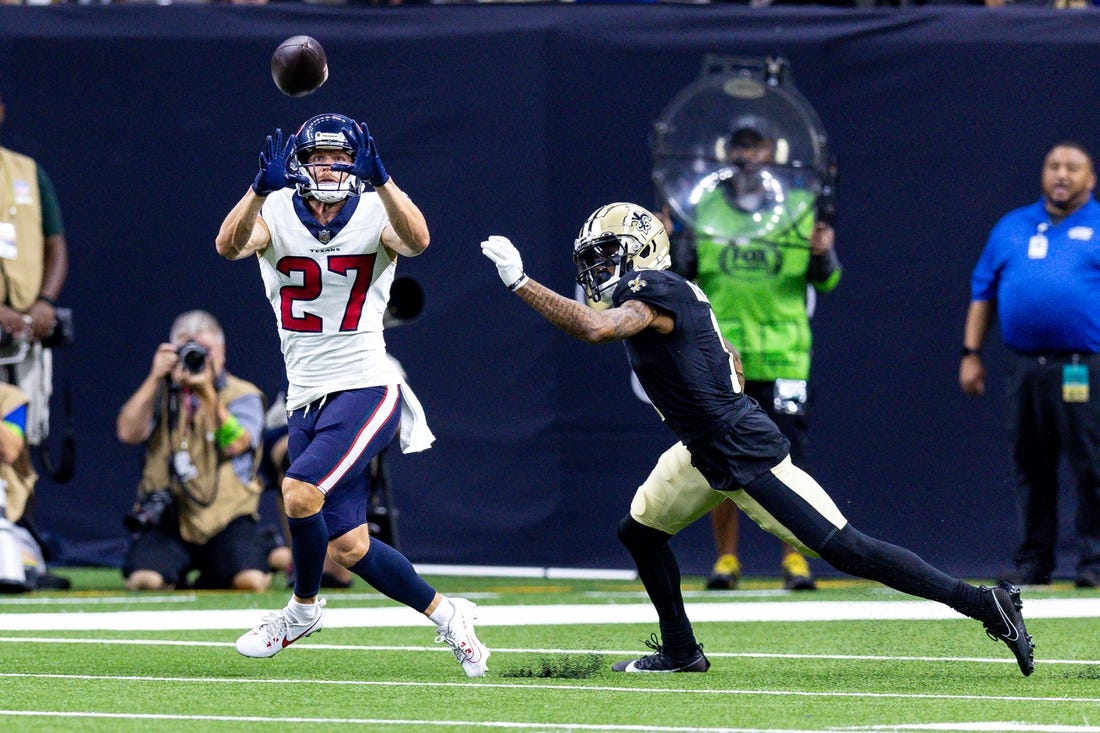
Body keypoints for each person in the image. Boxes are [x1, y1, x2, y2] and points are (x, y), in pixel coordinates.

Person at [480, 202, 1034, 676]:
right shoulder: (667, 291)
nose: (601, 267)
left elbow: (597, 327)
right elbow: (727, 360)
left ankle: (987, 604)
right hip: (704, 446)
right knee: (641, 534)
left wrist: (520, 283)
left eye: (610, 254)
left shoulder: (654, 289)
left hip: (737, 446)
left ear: (643, 251)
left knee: (848, 550)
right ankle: (679, 651)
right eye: (594, 258)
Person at [214, 113, 489, 676]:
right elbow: (228, 246)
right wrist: (255, 190)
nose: (333, 167)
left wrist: (385, 181)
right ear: (301, 165)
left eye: (342, 158)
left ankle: (302, 610)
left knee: (297, 493)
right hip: (304, 398)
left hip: (366, 384)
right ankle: (449, 614)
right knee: (348, 547)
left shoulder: (372, 210)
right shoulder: (274, 212)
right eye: (321, 158)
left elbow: (417, 240)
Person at [667, 123, 840, 591]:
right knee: (722, 458)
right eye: (739, 146)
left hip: (785, 355)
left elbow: (826, 279)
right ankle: (727, 560)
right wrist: (668, 239)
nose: (748, 155)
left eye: (756, 146)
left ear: (772, 152)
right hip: (724, 355)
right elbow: (683, 274)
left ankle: (796, 560)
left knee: (790, 461)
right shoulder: (702, 208)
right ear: (727, 152)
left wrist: (822, 254)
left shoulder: (798, 208)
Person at [960, 141, 1100, 589]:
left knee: (1092, 464)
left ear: (1090, 179)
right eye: (1054, 166)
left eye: (1072, 167)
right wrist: (971, 354)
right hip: (1026, 370)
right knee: (1031, 465)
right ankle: (1034, 562)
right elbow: (983, 292)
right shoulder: (1012, 226)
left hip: (1083, 366)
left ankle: (1094, 562)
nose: (1062, 174)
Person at [116, 310, 279, 591]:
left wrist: (206, 393)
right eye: (188, 350)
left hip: (227, 519)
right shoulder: (161, 393)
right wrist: (155, 377)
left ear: (222, 352)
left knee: (250, 582)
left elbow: (236, 444)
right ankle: (176, 571)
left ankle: (256, 550)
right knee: (146, 581)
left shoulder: (242, 394)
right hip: (170, 518)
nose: (197, 357)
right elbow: (128, 432)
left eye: (206, 350)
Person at [0, 89, 70, 447]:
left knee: (21, 442)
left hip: (25, 333)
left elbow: (55, 246)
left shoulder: (26, 172)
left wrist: (44, 302)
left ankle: (17, 504)